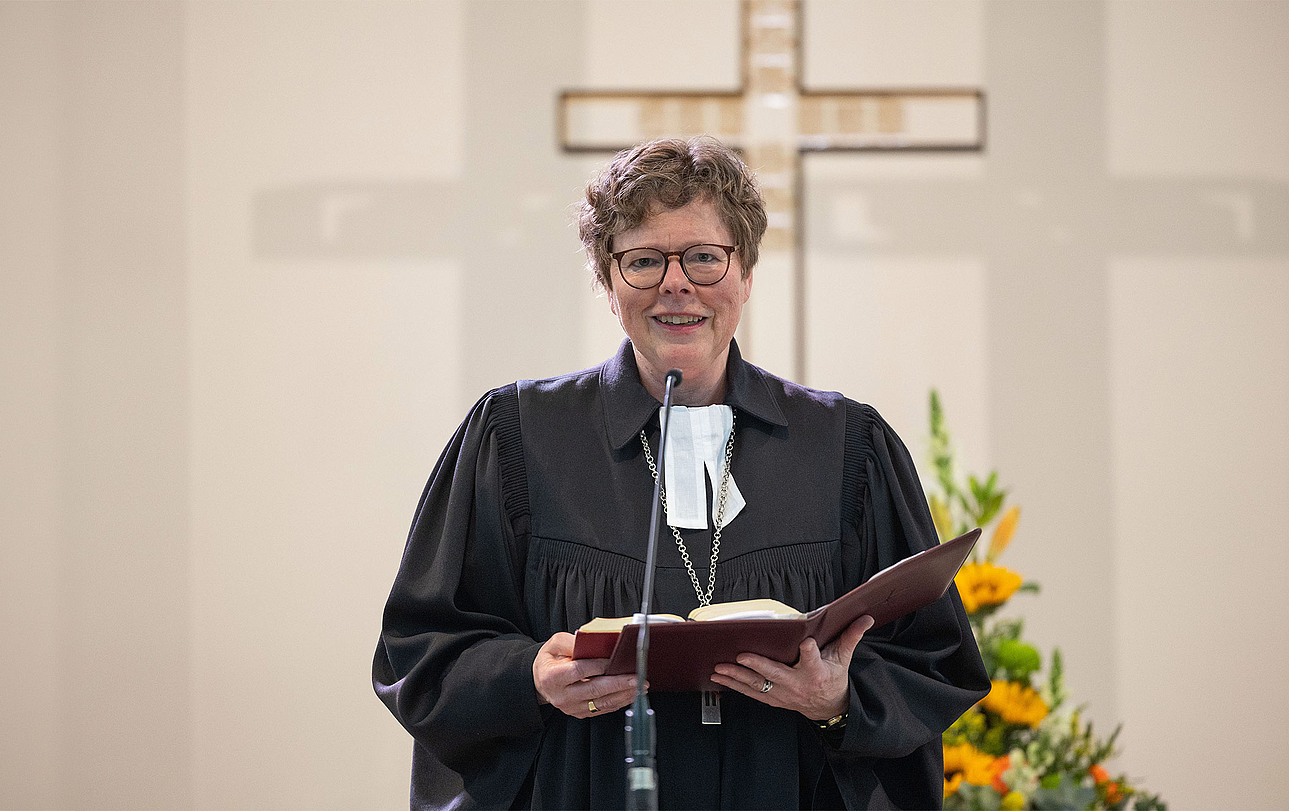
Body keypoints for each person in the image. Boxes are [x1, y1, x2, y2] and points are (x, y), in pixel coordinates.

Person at [373, 137, 989, 809]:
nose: (676, 283)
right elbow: (419, 647)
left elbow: (932, 660)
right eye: (642, 261)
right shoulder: (517, 436)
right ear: (609, 287)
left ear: (747, 274)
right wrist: (527, 675)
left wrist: (840, 696)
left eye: (703, 256)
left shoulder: (847, 447)